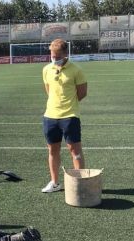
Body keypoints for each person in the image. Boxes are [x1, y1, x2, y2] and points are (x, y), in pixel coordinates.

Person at [41, 38, 88, 193]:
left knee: (75, 151)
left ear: (65, 54)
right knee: (52, 150)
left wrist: (68, 105)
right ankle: (55, 183)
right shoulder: (47, 69)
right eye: (52, 56)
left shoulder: (76, 70)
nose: (54, 59)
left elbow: (82, 93)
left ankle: (79, 184)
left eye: (57, 56)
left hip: (70, 116)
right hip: (50, 116)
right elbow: (48, 90)